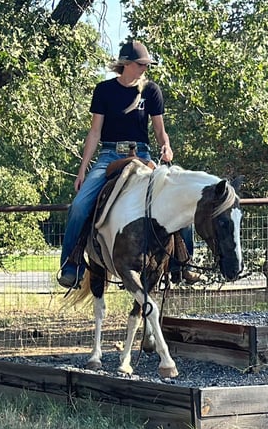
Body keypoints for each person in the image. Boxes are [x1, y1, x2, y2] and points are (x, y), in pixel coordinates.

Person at [58, 40, 200, 288]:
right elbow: (94, 132)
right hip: (110, 155)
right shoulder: (104, 90)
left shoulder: (151, 91)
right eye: (140, 64)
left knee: (177, 196)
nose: (145, 68)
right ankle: (71, 265)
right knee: (80, 205)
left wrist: (166, 146)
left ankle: (183, 263)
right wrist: (83, 168)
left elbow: (160, 131)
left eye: (146, 64)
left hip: (143, 155)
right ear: (125, 64)